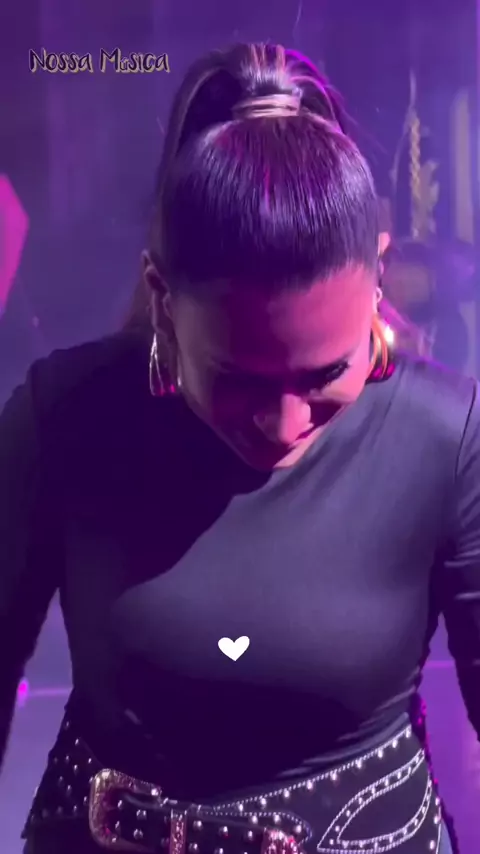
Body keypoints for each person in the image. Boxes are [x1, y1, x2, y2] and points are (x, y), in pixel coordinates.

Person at [1, 43, 477, 854]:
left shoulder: (446, 437)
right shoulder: (66, 417)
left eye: (325, 376)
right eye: (240, 380)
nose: (284, 425)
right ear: (163, 296)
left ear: (378, 276)